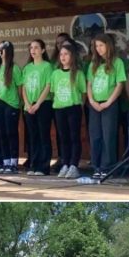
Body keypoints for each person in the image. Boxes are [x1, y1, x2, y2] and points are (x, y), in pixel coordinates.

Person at [86, 34, 126, 179]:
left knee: (108, 136)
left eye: (101, 45)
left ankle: (107, 167)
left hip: (109, 103)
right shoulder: (93, 64)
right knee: (95, 135)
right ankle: (96, 166)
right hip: (95, 104)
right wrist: (92, 101)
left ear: (108, 45)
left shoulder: (117, 62)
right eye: (96, 46)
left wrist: (108, 102)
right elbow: (89, 84)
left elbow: (119, 84)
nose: (99, 49)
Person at [45, 41, 86, 179]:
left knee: (74, 136)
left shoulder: (78, 73)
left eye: (66, 54)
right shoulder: (55, 73)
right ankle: (65, 164)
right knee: (63, 137)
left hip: (73, 108)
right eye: (61, 54)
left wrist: (79, 104)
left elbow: (83, 92)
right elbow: (52, 92)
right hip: (59, 108)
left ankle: (74, 165)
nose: (63, 57)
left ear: (72, 56)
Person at [0, 42, 23, 174]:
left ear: (7, 51)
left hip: (11, 104)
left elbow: (20, 87)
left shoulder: (14, 68)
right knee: (2, 133)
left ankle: (14, 162)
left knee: (11, 133)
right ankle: (6, 161)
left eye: (1, 50)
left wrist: (19, 103)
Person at [22, 39, 54, 176]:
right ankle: (33, 165)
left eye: (36, 47)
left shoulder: (47, 66)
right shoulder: (27, 68)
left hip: (43, 104)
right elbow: (23, 87)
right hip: (29, 105)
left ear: (43, 50)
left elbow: (48, 86)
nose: (33, 50)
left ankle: (43, 167)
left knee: (43, 135)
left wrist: (38, 104)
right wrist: (27, 103)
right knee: (32, 136)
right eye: (31, 48)